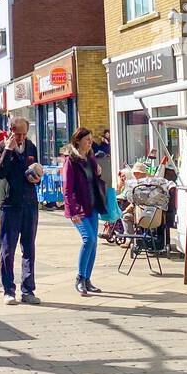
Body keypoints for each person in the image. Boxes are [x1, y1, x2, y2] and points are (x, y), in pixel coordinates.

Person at [0, 116, 41, 306]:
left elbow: (36, 169)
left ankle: (28, 289)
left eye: (24, 134)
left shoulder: (31, 147)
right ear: (11, 131)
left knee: (29, 247)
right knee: (8, 249)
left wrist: (37, 178)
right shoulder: (1, 148)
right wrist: (8, 149)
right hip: (10, 204)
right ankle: (8, 290)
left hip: (29, 203)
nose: (21, 138)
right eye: (17, 134)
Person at [62, 127, 107, 296]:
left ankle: (87, 279)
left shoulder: (90, 157)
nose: (90, 142)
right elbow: (67, 189)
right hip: (79, 209)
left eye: (90, 139)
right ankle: (79, 278)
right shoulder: (71, 160)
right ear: (78, 141)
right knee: (88, 239)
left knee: (94, 242)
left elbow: (94, 179)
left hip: (92, 205)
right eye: (87, 140)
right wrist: (72, 211)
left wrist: (97, 171)